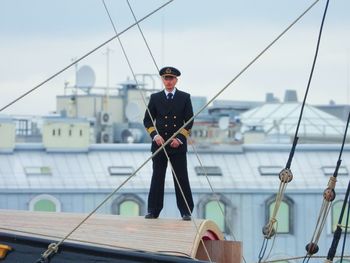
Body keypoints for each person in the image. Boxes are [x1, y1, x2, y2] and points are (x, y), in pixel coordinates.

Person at [143, 66, 194, 221]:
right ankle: (153, 210)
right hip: (160, 145)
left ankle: (186, 211)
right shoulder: (155, 98)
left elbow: (189, 121)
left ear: (176, 80)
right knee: (157, 177)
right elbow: (147, 120)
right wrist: (155, 136)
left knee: (181, 177)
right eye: (166, 78)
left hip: (177, 145)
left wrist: (179, 139)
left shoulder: (184, 97)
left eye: (171, 78)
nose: (169, 81)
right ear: (162, 80)